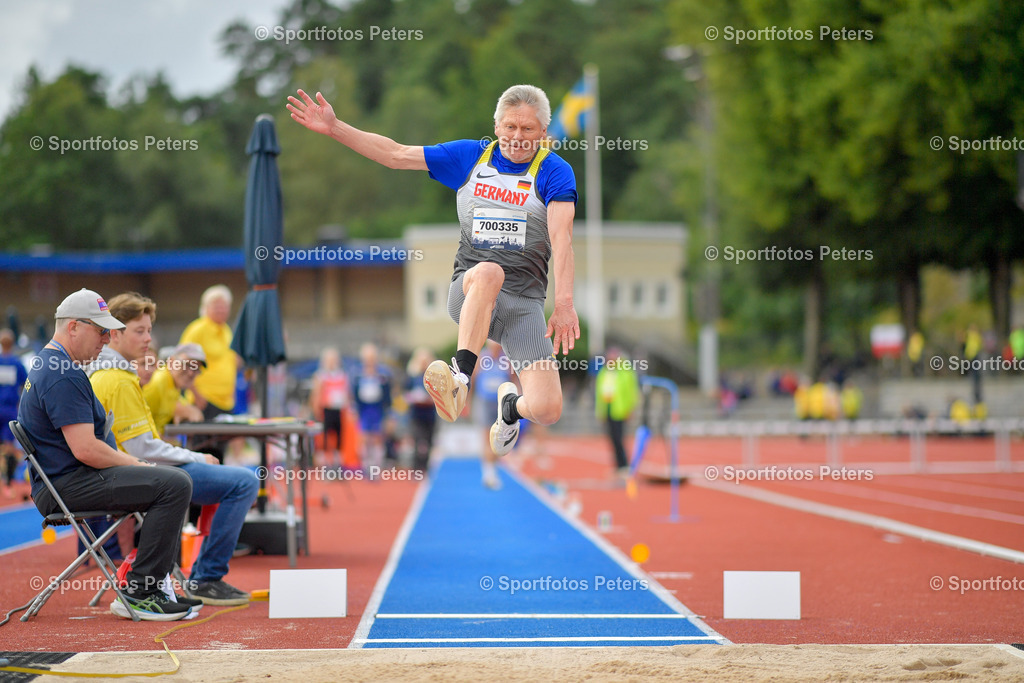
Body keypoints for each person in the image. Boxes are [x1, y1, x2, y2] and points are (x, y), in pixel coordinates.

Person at [288, 84, 579, 458]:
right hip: (471, 292)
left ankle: (509, 409)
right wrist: (336, 127)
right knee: (490, 271)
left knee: (547, 409)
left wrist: (565, 302)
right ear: (496, 126)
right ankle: (459, 377)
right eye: (510, 127)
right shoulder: (470, 158)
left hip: (523, 306)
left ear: (543, 132)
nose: (517, 137)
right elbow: (395, 154)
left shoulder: (554, 172)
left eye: (527, 129)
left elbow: (563, 237)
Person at [17, 289, 194, 621]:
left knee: (170, 481)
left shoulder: (54, 363)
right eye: (100, 330)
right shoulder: (62, 374)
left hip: (66, 481)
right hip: (70, 484)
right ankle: (143, 589)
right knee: (174, 484)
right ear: (73, 327)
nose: (106, 338)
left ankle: (150, 584)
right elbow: (85, 448)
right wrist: (135, 462)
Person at [89, 292, 257, 606]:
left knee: (221, 479)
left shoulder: (118, 375)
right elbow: (143, 447)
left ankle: (179, 575)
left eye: (149, 331)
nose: (147, 339)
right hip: (136, 473)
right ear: (114, 333)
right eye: (140, 331)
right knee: (244, 481)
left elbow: (144, 441)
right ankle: (204, 577)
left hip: (129, 470)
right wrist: (195, 456)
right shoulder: (122, 380)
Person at [179, 285, 239, 420]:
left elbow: (230, 362)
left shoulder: (226, 331)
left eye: (224, 306)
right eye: (216, 305)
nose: (221, 309)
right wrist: (196, 394)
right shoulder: (197, 329)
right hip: (204, 400)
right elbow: (182, 362)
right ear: (205, 307)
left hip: (226, 402)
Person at [472, 342, 512, 489]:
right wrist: (468, 403)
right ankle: (488, 473)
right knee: (487, 439)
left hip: (501, 404)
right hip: (484, 402)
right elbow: (473, 381)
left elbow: (512, 380)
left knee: (498, 440)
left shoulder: (506, 359)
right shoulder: (482, 358)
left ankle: (492, 469)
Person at [143, 343, 206, 437]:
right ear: (172, 362)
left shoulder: (173, 384)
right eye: (187, 364)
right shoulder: (158, 382)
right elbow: (137, 425)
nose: (191, 373)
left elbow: (189, 409)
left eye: (196, 368)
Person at [595, 348, 641, 477]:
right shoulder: (604, 372)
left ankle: (624, 466)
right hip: (608, 409)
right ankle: (618, 466)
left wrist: (630, 408)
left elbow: (631, 392)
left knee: (619, 439)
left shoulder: (625, 372)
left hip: (620, 410)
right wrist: (600, 411)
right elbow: (600, 393)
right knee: (612, 439)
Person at [309, 347, 350, 469]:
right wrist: (316, 410)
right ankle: (325, 466)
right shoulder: (321, 376)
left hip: (338, 410)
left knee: (339, 439)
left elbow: (346, 393)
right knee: (325, 439)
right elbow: (316, 394)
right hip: (325, 411)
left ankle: (337, 465)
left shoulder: (341, 375)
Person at [1, 329, 28, 498]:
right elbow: (25, 386)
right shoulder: (17, 363)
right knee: (10, 448)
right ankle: (9, 484)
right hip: (10, 409)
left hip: (6, 407)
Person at [404, 347, 438, 473]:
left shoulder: (434, 377)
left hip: (430, 413)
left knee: (429, 441)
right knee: (418, 441)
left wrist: (431, 399)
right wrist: (413, 397)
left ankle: (426, 466)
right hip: (416, 414)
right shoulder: (413, 376)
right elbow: (405, 393)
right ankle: (416, 467)